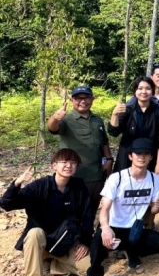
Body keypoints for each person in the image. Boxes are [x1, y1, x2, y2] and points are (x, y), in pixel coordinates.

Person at [0, 149, 93, 276]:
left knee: (89, 268)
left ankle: (49, 267)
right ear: (53, 165)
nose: (68, 165)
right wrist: (17, 183)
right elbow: (6, 204)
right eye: (64, 162)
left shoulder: (79, 188)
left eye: (73, 162)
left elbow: (87, 217)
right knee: (34, 233)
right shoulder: (40, 186)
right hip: (40, 243)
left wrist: (85, 242)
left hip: (65, 242)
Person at [84, 138, 159, 276]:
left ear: (151, 157)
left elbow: (154, 211)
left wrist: (157, 207)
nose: (142, 157)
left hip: (135, 227)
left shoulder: (154, 179)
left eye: (146, 154)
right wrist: (106, 228)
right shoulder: (117, 178)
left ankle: (130, 251)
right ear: (130, 156)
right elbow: (105, 208)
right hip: (114, 226)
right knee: (97, 247)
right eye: (138, 154)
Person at [47, 86, 112, 218]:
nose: (83, 101)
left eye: (86, 97)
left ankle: (87, 236)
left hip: (96, 175)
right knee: (72, 211)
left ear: (92, 99)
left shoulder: (97, 119)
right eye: (78, 98)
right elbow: (52, 128)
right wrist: (55, 117)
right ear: (72, 100)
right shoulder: (66, 119)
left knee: (91, 209)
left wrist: (109, 159)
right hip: (74, 175)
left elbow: (103, 141)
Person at [108, 76, 159, 175]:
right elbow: (113, 132)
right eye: (140, 88)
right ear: (135, 91)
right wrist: (114, 114)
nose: (144, 92)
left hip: (149, 157)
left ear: (152, 91)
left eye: (148, 88)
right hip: (127, 157)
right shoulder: (127, 110)